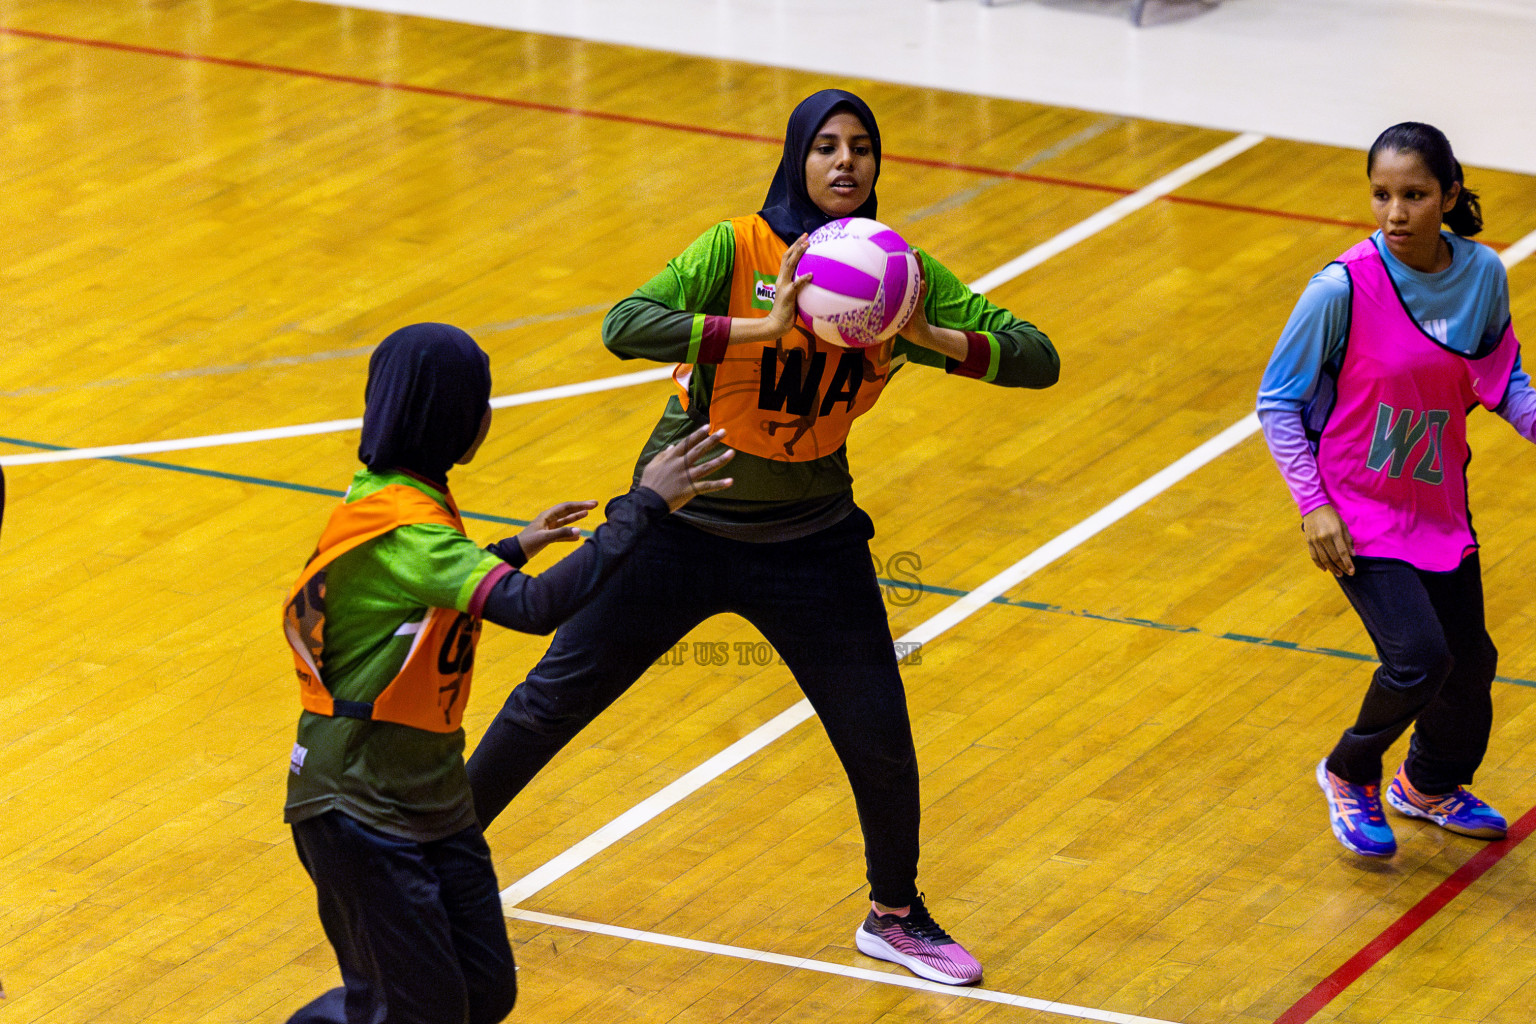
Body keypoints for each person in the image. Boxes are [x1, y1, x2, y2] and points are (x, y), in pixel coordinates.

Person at [466, 89, 1059, 986]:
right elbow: (623, 325)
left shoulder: (899, 273)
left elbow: (1039, 357)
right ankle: (431, 861)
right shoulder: (737, 246)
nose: (845, 163)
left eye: (861, 147)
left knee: (880, 736)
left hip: (811, 540)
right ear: (797, 157)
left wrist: (931, 332)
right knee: (555, 698)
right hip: (680, 520)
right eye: (826, 147)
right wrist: (763, 326)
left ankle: (893, 915)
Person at [281, 322, 732, 1024]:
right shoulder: (406, 525)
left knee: (483, 993)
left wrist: (513, 546)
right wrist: (644, 505)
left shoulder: (406, 498)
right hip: (356, 801)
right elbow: (534, 609)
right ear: (455, 420)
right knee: (417, 1010)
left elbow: (423, 593)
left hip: (430, 797)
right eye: (481, 404)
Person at [1257, 122, 1531, 859]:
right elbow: (1278, 402)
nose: (1395, 213)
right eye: (1382, 195)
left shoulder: (1482, 276)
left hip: (1437, 501)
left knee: (1471, 664)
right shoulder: (1341, 287)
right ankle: (1349, 772)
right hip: (1357, 507)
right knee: (1420, 657)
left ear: (1449, 195)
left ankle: (1429, 785)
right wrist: (1313, 506)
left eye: (1413, 195)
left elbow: (1501, 380)